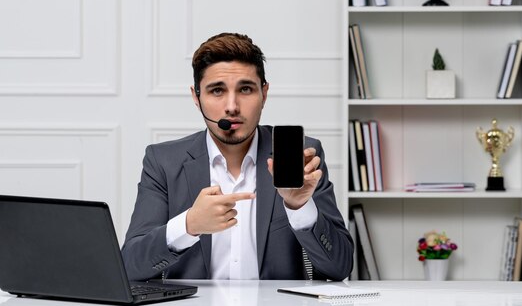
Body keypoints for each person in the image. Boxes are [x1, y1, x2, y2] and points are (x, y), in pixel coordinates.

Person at [121, 33, 353, 281]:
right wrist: (189, 225)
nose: (232, 106)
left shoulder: (301, 156)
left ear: (264, 94)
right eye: (217, 90)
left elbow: (340, 267)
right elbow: (131, 266)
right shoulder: (163, 162)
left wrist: (300, 207)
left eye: (245, 89)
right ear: (196, 97)